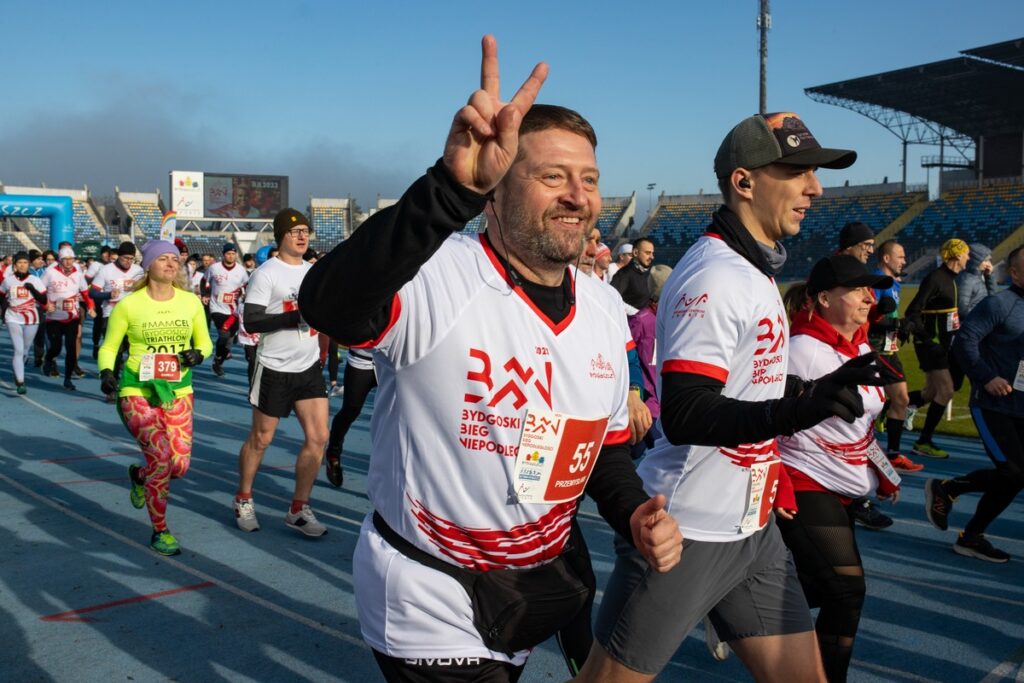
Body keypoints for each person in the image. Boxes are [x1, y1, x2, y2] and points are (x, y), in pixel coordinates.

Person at [299, 36, 681, 681]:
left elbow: (603, 449)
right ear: (497, 188)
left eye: (588, 179)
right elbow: (328, 306)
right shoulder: (440, 274)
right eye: (551, 176)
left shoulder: (602, 307)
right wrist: (448, 191)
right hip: (428, 589)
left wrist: (634, 510)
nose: (577, 195)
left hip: (535, 584)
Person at [580, 112, 894, 683]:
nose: (814, 188)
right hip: (686, 531)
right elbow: (688, 410)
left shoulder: (752, 269)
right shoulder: (715, 276)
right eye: (797, 172)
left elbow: (745, 385)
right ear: (744, 182)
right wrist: (800, 409)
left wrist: (807, 388)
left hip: (752, 530)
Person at [775, 255, 901, 682]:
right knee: (847, 591)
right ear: (825, 299)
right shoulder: (800, 352)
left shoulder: (861, 346)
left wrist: (882, 471)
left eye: (870, 289)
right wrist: (777, 485)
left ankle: (736, 612)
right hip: (804, 482)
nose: (870, 297)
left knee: (820, 585)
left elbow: (862, 423)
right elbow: (760, 422)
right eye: (858, 290)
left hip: (845, 487)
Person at [100, 240, 212, 556]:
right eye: (162, 259)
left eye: (174, 259)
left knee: (179, 466)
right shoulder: (129, 305)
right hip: (137, 390)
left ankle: (139, 475)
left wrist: (198, 354)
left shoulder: (190, 303)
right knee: (161, 458)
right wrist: (106, 372)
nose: (170, 264)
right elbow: (109, 347)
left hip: (178, 391)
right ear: (148, 265)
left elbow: (205, 343)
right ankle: (160, 531)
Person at [233, 208, 329, 538]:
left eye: (306, 231)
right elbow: (253, 321)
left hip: (308, 366)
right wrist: (295, 318)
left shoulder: (315, 273)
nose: (302, 236)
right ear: (281, 236)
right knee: (262, 439)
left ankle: (298, 508)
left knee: (318, 437)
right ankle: (244, 497)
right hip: (273, 366)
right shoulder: (266, 273)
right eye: (295, 231)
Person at [929, 245, 1024, 562]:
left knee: (1017, 475)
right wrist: (987, 377)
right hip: (993, 405)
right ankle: (953, 492)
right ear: (1014, 273)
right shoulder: (1000, 304)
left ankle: (969, 530)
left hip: (1021, 407)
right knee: (1013, 472)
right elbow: (964, 342)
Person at [904, 238, 971, 459]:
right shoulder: (935, 279)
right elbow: (912, 312)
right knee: (947, 390)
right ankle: (924, 442)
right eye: (966, 254)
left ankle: (890, 408)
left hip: (941, 347)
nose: (968, 258)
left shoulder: (950, 279)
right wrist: (928, 341)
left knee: (930, 393)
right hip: (930, 347)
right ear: (957, 256)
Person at [867, 239, 924, 472]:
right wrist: (898, 324)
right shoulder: (877, 282)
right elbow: (870, 318)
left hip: (889, 348)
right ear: (886, 258)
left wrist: (900, 329)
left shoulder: (893, 283)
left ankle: (892, 453)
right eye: (900, 256)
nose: (905, 260)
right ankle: (881, 452)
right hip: (875, 349)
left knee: (899, 399)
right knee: (893, 399)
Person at [627, 264, 672, 460]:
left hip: (666, 406)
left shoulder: (674, 319)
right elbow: (627, 358)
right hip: (647, 407)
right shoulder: (641, 321)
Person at [90, 241, 144, 397]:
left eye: (131, 259)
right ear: (118, 257)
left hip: (135, 316)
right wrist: (107, 295)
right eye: (125, 258)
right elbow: (93, 293)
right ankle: (111, 387)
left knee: (136, 351)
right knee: (116, 352)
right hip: (111, 315)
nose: (128, 261)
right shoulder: (106, 270)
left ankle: (136, 385)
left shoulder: (138, 271)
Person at [42, 246, 95, 390]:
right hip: (54, 317)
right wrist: (46, 305)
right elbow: (40, 291)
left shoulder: (78, 274)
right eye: (65, 260)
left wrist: (90, 307)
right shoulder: (50, 273)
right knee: (56, 347)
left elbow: (85, 293)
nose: (68, 262)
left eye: (71, 259)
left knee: (71, 348)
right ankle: (48, 358)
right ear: (60, 260)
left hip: (72, 316)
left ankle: (67, 378)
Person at [323, 347, 375, 488]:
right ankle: (333, 453)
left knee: (396, 415)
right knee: (351, 409)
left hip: (394, 362)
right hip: (362, 360)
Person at [1, 251, 47, 394]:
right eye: (19, 262)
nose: (22, 265)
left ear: (29, 264)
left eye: (25, 262)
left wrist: (32, 289)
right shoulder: (8, 280)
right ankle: (20, 382)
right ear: (15, 265)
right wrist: (3, 313)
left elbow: (44, 300)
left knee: (25, 349)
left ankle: (20, 365)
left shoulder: (35, 280)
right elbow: (1, 296)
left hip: (31, 318)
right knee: (18, 349)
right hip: (13, 317)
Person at [204, 243, 248, 376]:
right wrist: (205, 294)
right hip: (217, 307)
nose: (231, 256)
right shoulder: (214, 268)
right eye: (228, 254)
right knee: (223, 333)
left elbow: (246, 285)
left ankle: (218, 361)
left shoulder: (241, 270)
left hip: (234, 310)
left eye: (233, 254)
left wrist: (242, 294)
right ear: (223, 255)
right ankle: (219, 357)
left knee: (228, 341)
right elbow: (205, 281)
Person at [611, 237, 656, 311]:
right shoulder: (624, 274)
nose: (652, 257)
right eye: (647, 253)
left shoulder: (647, 273)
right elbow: (612, 299)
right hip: (629, 321)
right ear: (635, 253)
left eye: (652, 253)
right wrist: (636, 314)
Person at [957, 242, 995, 316]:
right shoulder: (966, 280)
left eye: (989, 260)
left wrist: (989, 277)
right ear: (975, 261)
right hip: (971, 325)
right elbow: (962, 310)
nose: (989, 264)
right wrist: (982, 315)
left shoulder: (978, 277)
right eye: (985, 260)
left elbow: (993, 300)